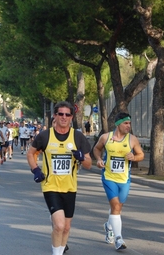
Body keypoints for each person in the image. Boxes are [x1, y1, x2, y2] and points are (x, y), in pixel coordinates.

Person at [27, 101, 92, 255]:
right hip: (50, 186)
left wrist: (81, 157)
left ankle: (60, 249)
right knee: (59, 226)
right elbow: (31, 153)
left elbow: (89, 164)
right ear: (55, 116)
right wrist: (35, 169)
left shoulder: (78, 137)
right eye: (60, 114)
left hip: (70, 187)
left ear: (71, 117)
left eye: (67, 114)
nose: (64, 117)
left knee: (66, 227)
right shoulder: (44, 136)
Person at [93, 112, 144, 251]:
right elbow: (96, 149)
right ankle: (118, 238)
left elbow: (141, 155)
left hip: (124, 179)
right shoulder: (106, 137)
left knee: (118, 207)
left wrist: (134, 157)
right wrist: (98, 159)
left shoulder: (132, 139)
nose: (128, 126)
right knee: (115, 206)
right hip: (109, 177)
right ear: (118, 124)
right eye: (125, 123)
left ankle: (109, 226)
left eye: (129, 123)